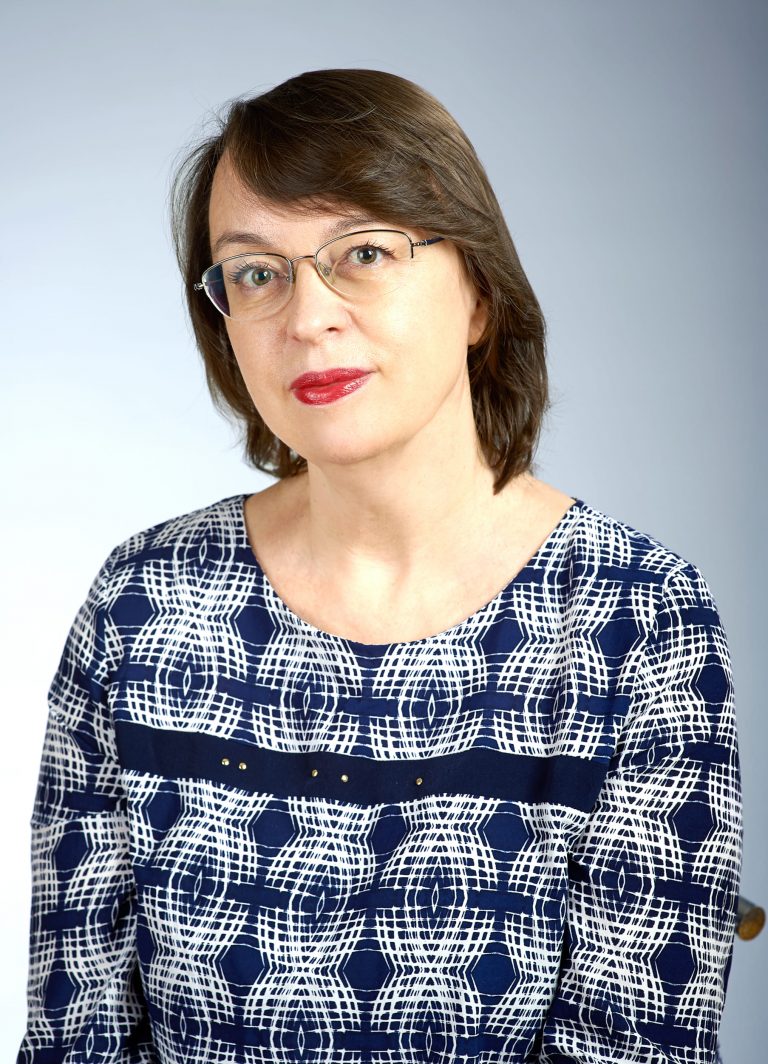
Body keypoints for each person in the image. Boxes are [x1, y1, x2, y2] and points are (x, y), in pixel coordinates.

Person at [16, 68, 742, 1063]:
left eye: (363, 252)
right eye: (255, 272)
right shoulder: (142, 604)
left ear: (479, 291)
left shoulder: (638, 621)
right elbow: (75, 1039)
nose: (306, 316)